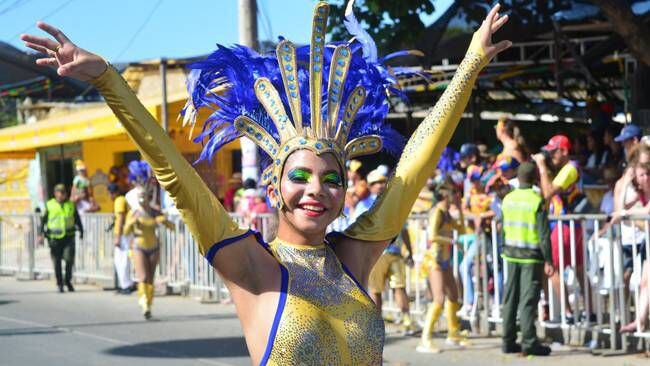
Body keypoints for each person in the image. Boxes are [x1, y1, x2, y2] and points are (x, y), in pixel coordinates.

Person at [22, 3, 510, 362]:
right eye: (300, 177)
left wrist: (470, 66)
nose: (316, 190)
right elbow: (174, 171)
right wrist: (109, 79)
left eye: (330, 179)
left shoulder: (353, 260)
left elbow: (412, 170)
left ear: (343, 192)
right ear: (274, 189)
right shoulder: (253, 267)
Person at [532, 134, 588, 322]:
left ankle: (569, 313)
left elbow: (547, 193)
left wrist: (541, 167)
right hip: (571, 225)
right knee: (579, 269)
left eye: (552, 152)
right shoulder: (568, 169)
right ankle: (589, 311)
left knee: (553, 269)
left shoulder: (569, 169)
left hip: (564, 226)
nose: (550, 156)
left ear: (563, 151)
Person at [501, 162, 553, 356]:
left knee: (510, 298)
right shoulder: (535, 200)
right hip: (531, 257)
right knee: (527, 300)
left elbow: (502, 226)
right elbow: (543, 234)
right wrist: (549, 259)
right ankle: (530, 342)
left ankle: (507, 341)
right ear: (535, 178)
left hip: (511, 254)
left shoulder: (508, 199)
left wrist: (503, 248)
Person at [356, 169, 416, 335]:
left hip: (394, 252)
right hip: (375, 254)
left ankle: (407, 321)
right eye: (376, 183)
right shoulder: (363, 205)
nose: (381, 185)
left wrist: (409, 251)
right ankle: (376, 324)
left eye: (383, 181)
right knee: (375, 291)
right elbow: (358, 231)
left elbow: (404, 230)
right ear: (370, 186)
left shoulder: (394, 204)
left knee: (400, 287)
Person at [418, 180, 468, 353]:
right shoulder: (437, 211)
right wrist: (452, 241)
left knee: (453, 295)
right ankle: (425, 339)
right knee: (439, 299)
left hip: (444, 260)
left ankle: (453, 334)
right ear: (445, 195)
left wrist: (460, 209)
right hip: (434, 260)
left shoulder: (446, 213)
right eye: (453, 192)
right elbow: (432, 236)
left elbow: (462, 229)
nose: (456, 195)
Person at [123, 185, 174, 319]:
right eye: (139, 195)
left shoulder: (154, 211)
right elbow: (126, 232)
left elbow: (172, 227)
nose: (141, 198)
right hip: (139, 246)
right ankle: (144, 304)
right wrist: (131, 222)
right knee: (143, 277)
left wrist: (164, 221)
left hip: (154, 246)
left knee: (150, 279)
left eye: (143, 195)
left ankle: (149, 305)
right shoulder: (134, 212)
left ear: (147, 197)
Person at [40, 184, 83, 293]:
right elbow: (43, 220)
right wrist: (40, 234)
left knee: (69, 260)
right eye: (59, 192)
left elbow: (77, 218)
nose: (62, 194)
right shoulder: (49, 205)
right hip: (54, 238)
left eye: (63, 192)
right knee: (57, 262)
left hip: (68, 237)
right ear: (55, 193)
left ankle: (67, 281)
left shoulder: (71, 205)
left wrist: (81, 230)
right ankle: (59, 283)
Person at [109, 182, 134, 294]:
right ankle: (125, 283)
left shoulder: (119, 200)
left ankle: (126, 285)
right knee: (121, 259)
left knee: (122, 260)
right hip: (125, 233)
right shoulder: (121, 199)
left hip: (124, 234)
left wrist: (117, 237)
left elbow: (120, 219)